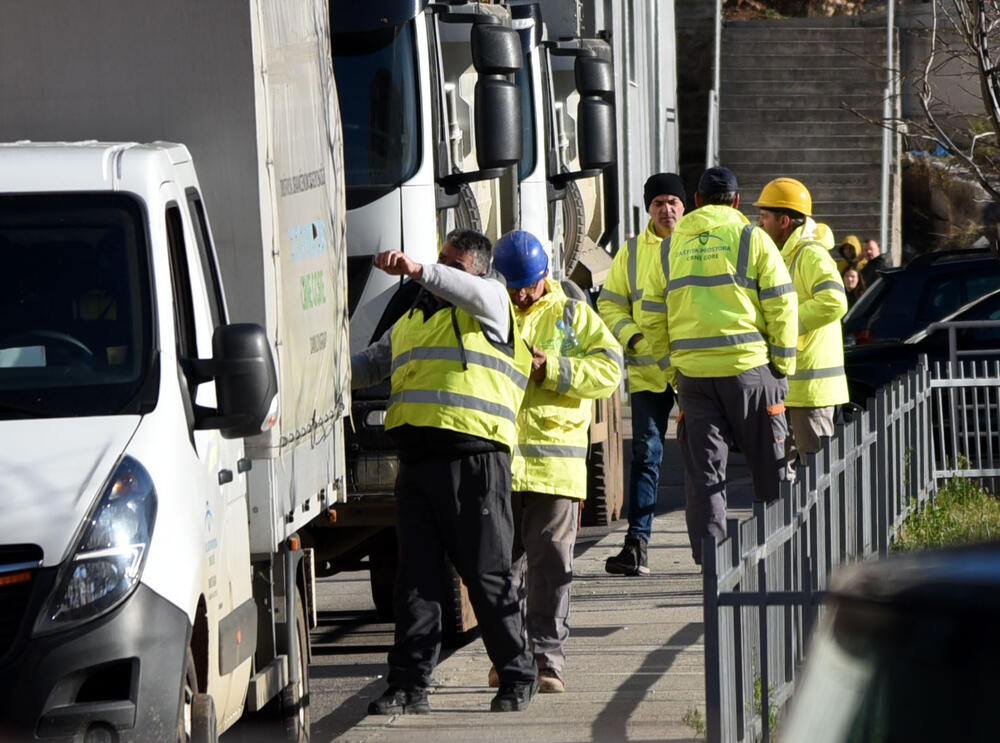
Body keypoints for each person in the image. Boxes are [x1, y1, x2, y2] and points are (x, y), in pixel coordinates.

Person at [352, 229, 538, 715]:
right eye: (440, 260)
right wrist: (318, 374)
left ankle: (518, 675)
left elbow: (464, 288)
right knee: (415, 581)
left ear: (478, 272)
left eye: (454, 265)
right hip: (417, 462)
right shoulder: (413, 319)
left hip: (474, 461)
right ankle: (409, 686)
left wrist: (418, 269)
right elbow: (371, 364)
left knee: (487, 576)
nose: (441, 272)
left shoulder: (491, 302)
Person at [489, 230, 622, 693]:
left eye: (529, 285)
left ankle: (546, 662)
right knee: (501, 571)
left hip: (555, 467)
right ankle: (509, 659)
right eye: (513, 286)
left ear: (545, 274)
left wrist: (554, 369)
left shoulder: (572, 313)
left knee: (551, 567)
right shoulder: (493, 312)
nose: (522, 295)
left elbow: (610, 370)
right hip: (500, 464)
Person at [663, 167, 798, 565]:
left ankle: (713, 568)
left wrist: (672, 369)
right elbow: (782, 303)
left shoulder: (670, 246)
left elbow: (653, 314)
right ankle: (780, 557)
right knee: (770, 467)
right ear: (737, 201)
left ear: (696, 201)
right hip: (749, 371)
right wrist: (781, 363)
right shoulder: (752, 238)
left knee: (705, 477)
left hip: (694, 377)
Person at [597, 173, 686, 576]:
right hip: (649, 373)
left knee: (704, 457)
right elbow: (610, 304)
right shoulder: (631, 253)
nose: (667, 209)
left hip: (691, 370)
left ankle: (711, 545)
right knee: (646, 455)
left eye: (673, 202)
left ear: (684, 206)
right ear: (648, 208)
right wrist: (632, 338)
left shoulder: (699, 245)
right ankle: (636, 544)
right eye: (658, 203)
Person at [754, 178, 849, 467]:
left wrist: (786, 325)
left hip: (812, 391)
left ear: (784, 221)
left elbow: (835, 301)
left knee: (817, 474)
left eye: (765, 216)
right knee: (791, 474)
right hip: (794, 389)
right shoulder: (787, 254)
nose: (760, 223)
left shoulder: (809, 253)